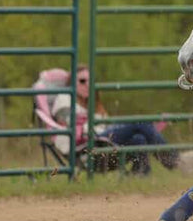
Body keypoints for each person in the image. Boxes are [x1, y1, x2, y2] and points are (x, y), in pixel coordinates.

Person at [50, 66, 186, 175]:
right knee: (140, 123)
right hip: (86, 146)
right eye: (82, 81)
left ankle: (140, 175)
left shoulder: (93, 106)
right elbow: (75, 126)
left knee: (139, 138)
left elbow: (105, 126)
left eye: (90, 81)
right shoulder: (64, 99)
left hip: (101, 141)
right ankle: (177, 161)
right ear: (71, 82)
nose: (87, 85)